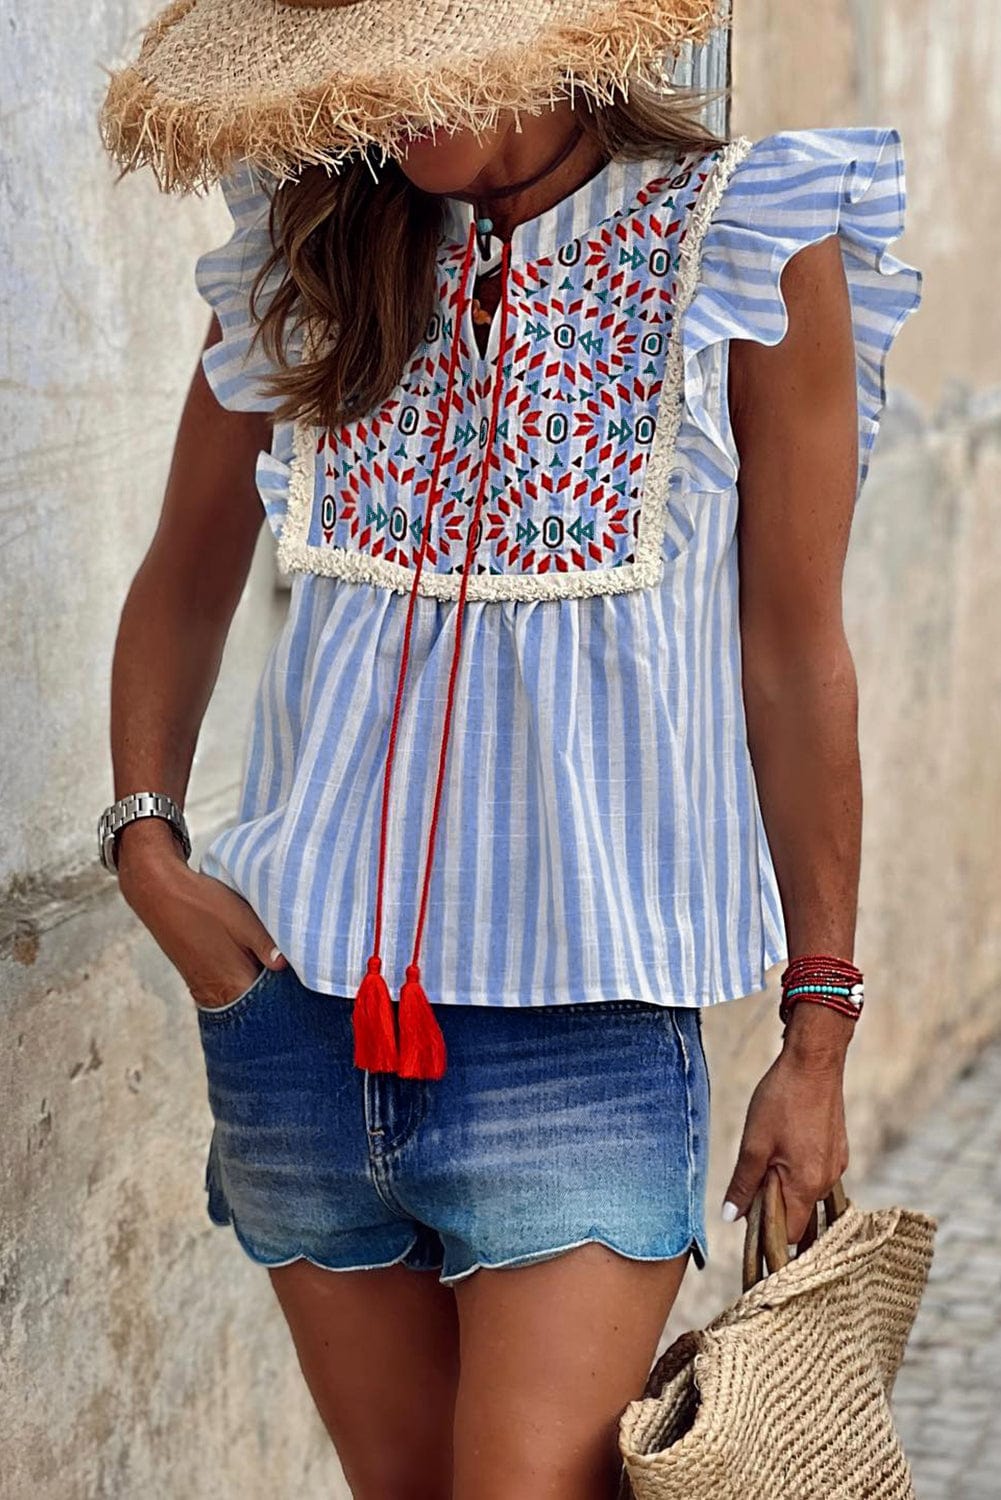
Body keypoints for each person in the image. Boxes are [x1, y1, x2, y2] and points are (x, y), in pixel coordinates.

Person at [97, 2, 922, 1495]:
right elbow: (182, 568)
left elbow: (794, 657)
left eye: (426, 71)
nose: (393, 120)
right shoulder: (307, 251)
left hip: (583, 1045)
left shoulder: (743, 243)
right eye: (358, 86)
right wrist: (149, 850)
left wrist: (817, 1032)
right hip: (292, 1030)